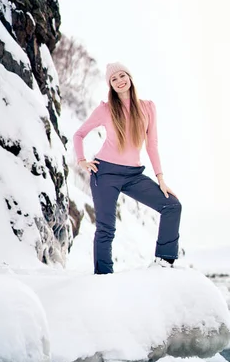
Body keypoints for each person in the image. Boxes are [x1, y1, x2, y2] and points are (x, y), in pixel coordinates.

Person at [73, 62, 182, 274]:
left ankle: (164, 262)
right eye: (114, 79)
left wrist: (160, 179)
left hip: (133, 175)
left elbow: (152, 145)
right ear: (110, 85)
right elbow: (79, 134)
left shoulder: (148, 108)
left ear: (130, 78)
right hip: (104, 174)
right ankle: (104, 277)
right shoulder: (105, 110)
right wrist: (82, 160)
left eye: (122, 76)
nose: (119, 81)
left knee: (172, 206)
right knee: (106, 229)